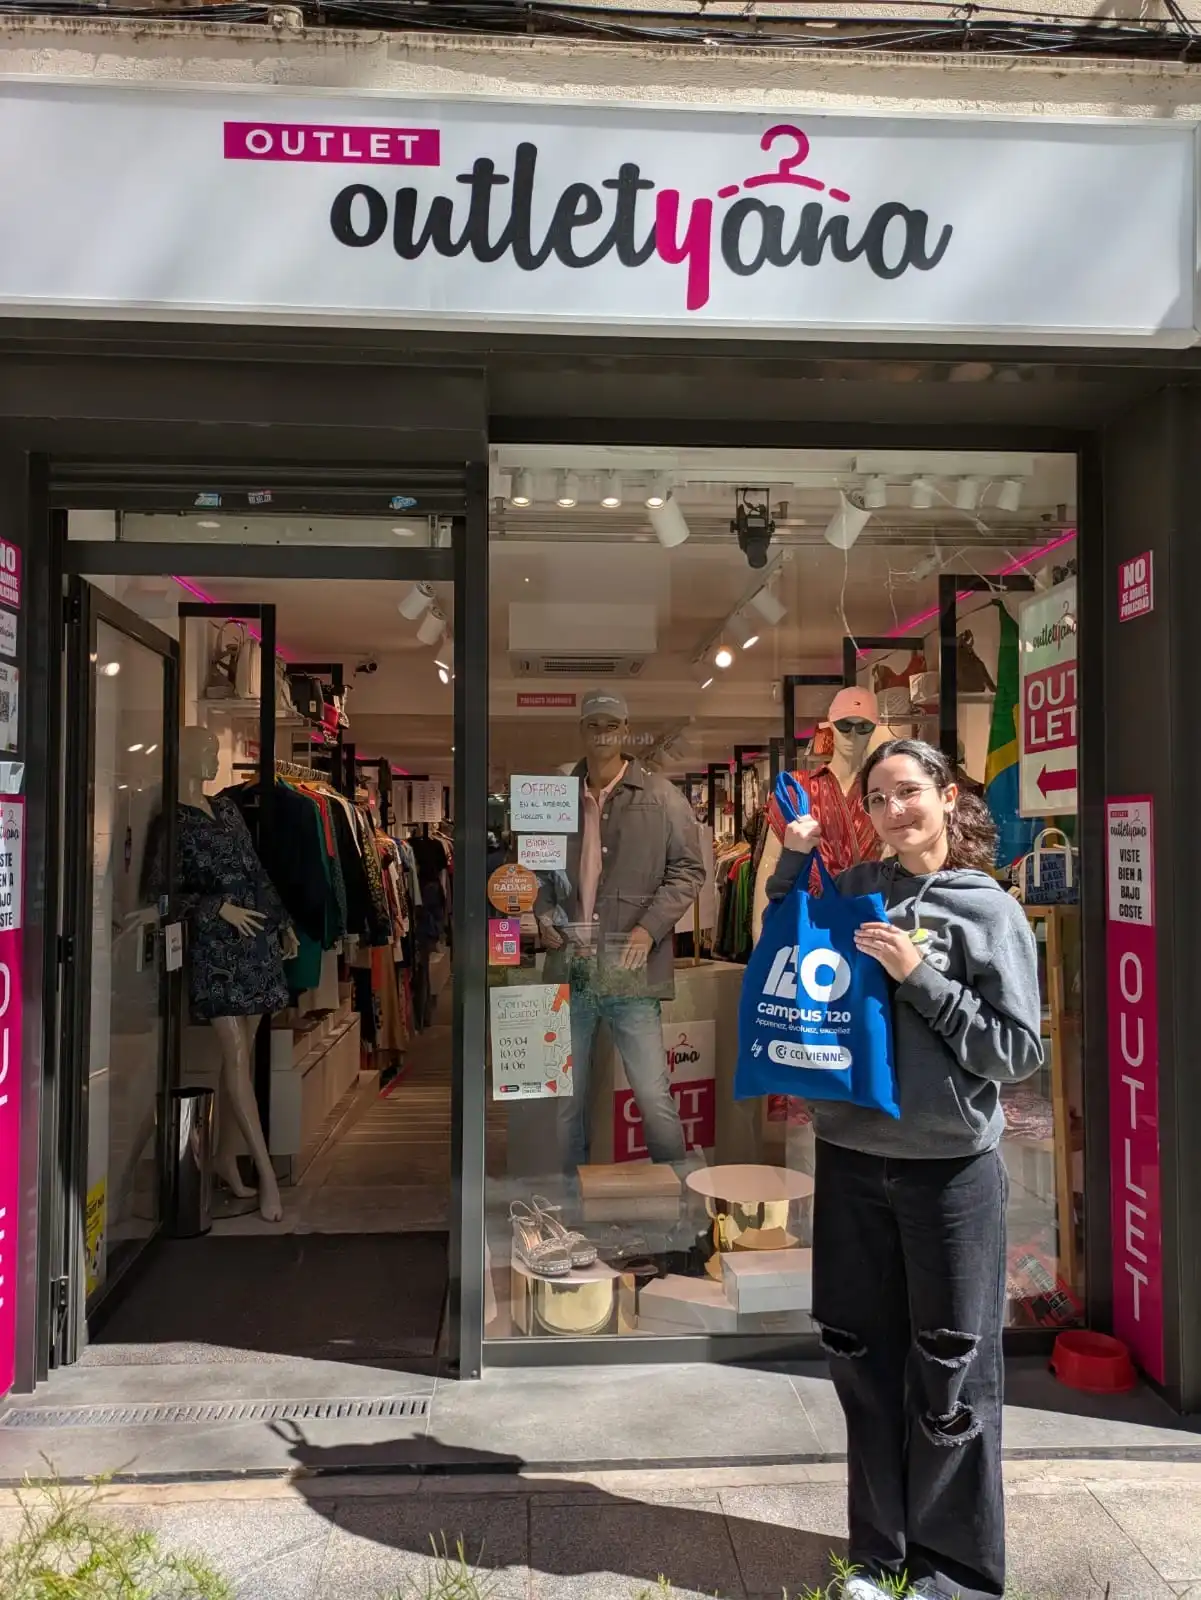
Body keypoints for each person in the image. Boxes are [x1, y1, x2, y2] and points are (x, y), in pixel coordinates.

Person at [764, 737, 1043, 1600]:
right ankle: (877, 1559)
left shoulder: (987, 910)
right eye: (878, 799)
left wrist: (920, 976)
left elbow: (1014, 1053)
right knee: (861, 1362)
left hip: (948, 1172)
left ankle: (952, 1573)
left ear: (948, 796)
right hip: (850, 1158)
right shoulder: (856, 888)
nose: (892, 812)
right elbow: (786, 935)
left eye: (908, 792)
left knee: (952, 1372)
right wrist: (795, 859)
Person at [535, 689, 704, 1172]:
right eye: (594, 724)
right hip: (570, 967)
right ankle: (569, 1200)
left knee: (652, 1092)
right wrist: (544, 914)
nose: (603, 733)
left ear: (626, 729)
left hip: (632, 972)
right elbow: (534, 870)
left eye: (612, 724)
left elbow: (689, 870)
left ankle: (677, 1196)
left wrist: (649, 929)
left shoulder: (661, 795)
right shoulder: (554, 798)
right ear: (581, 730)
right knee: (566, 1099)